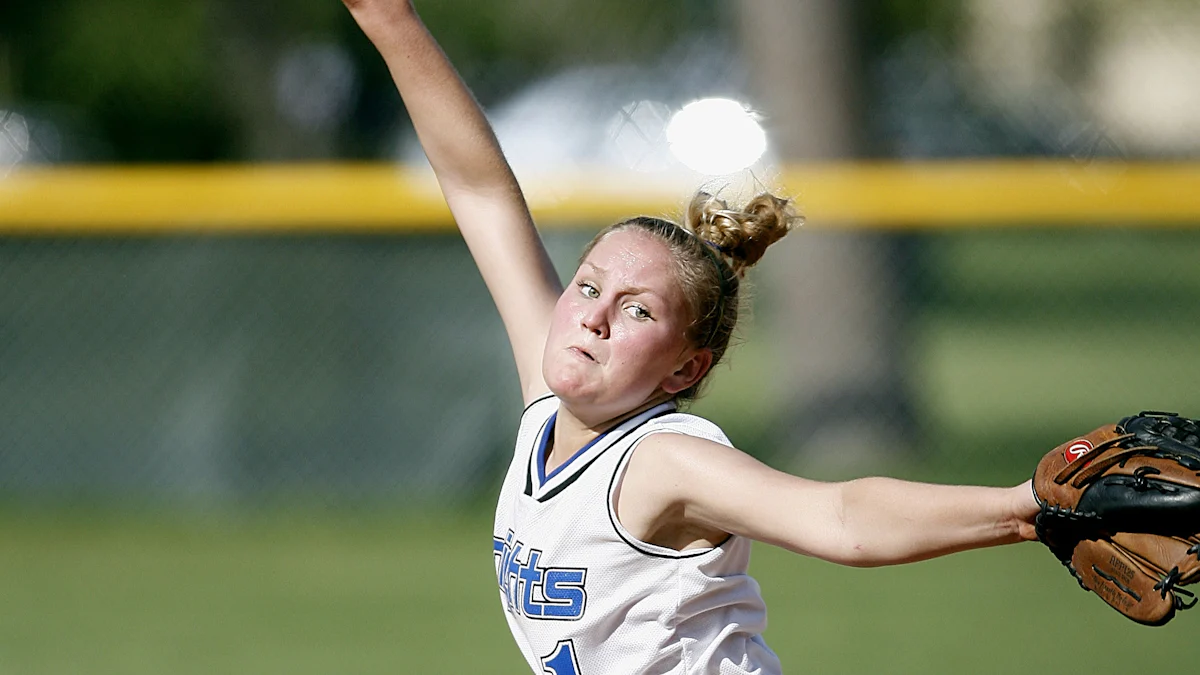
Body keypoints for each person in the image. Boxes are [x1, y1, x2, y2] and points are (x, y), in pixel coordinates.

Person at [341, 2, 1042, 673]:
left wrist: (1020, 511)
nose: (594, 315)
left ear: (685, 369)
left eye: (637, 310)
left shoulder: (660, 463)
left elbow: (837, 515)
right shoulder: (549, 398)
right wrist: (389, 19)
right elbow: (479, 189)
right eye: (587, 287)